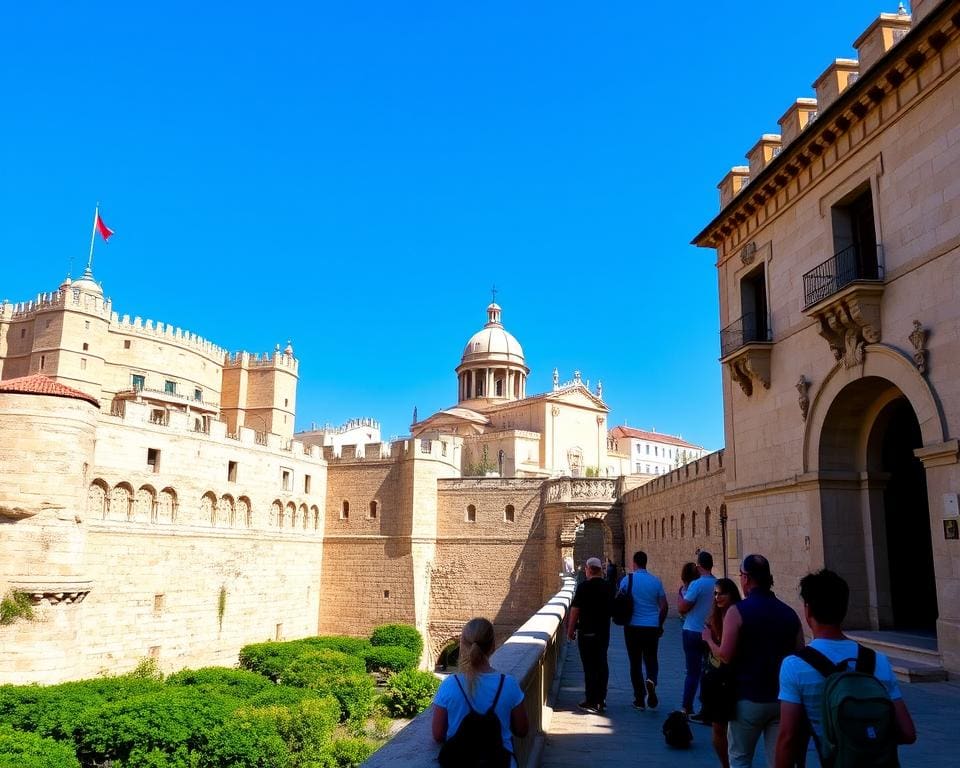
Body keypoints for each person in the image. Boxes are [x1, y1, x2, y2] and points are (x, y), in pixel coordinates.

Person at [775, 569, 916, 768]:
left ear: (807, 610)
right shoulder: (878, 661)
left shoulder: (795, 666)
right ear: (844, 608)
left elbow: (788, 738)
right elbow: (908, 733)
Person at [705, 554, 803, 768]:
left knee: (740, 758)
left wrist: (709, 641)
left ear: (746, 578)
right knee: (778, 760)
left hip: (747, 698)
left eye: (741, 575)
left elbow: (726, 655)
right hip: (781, 700)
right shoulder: (790, 614)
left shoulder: (737, 612)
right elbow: (799, 656)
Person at [432, 617, 529, 767]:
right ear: (493, 646)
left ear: (462, 646)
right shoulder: (508, 684)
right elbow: (522, 730)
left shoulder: (450, 684)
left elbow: (438, 735)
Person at [617, 550, 668, 710]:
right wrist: (659, 623)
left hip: (632, 627)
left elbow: (619, 599)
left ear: (634, 563)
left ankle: (639, 699)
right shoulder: (656, 581)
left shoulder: (627, 580)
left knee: (635, 662)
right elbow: (664, 606)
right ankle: (651, 679)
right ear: (646, 563)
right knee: (651, 658)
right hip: (651, 626)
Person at [701, 577, 742, 768]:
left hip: (732, 679)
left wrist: (709, 641)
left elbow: (725, 654)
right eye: (715, 593)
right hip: (716, 679)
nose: (717, 597)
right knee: (718, 729)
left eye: (721, 593)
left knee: (731, 730)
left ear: (732, 594)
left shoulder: (738, 617)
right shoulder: (714, 619)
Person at [567, 556, 612, 713]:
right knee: (602, 665)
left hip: (586, 633)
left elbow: (575, 610)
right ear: (600, 570)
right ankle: (601, 699)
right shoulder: (608, 587)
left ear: (588, 569)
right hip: (603, 633)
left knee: (589, 667)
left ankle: (591, 700)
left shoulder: (583, 587)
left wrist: (570, 629)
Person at [678, 550, 717, 719]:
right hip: (711, 632)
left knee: (692, 672)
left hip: (692, 630)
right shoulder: (718, 583)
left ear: (699, 566)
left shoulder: (697, 584)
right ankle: (707, 707)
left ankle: (687, 707)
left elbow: (683, 607)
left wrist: (680, 598)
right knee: (708, 671)